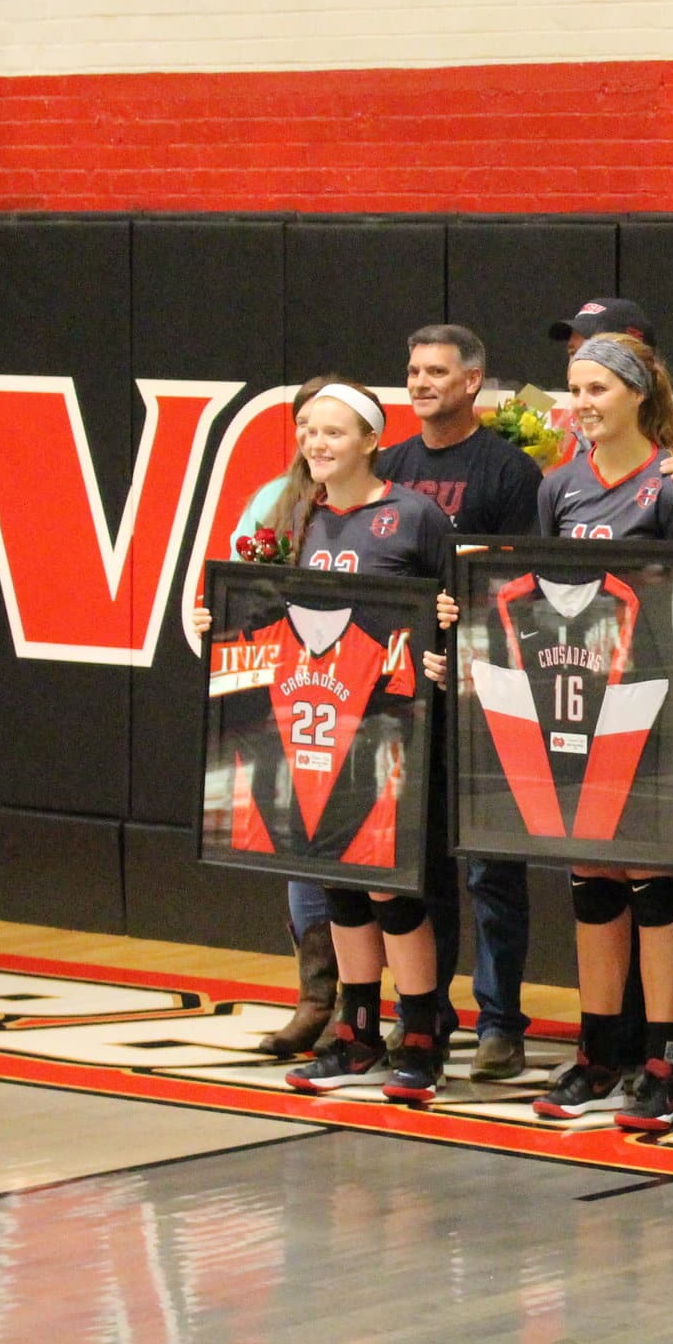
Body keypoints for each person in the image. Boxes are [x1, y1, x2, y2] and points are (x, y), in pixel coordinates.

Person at [196, 377, 459, 1106]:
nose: (316, 442)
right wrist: (215, 625)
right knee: (340, 883)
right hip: (313, 728)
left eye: (333, 430)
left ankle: (421, 1037)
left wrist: (447, 649)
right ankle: (359, 1032)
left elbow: (457, 611)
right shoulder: (292, 517)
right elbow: (262, 606)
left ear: (372, 439)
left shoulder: (413, 516)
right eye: (308, 428)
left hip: (392, 731)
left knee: (392, 888)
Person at [519, 333, 673, 1131]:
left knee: (653, 878)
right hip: (578, 710)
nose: (582, 403)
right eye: (574, 388)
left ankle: (664, 1061)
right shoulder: (559, 487)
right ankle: (597, 1051)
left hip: (653, 712)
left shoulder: (672, 489)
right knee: (591, 874)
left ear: (640, 393)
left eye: (598, 387)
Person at [374, 324, 544, 1082]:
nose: (420, 382)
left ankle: (501, 1020)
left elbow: (524, 582)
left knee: (492, 868)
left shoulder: (509, 471)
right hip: (414, 692)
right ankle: (426, 1015)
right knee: (422, 865)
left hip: (487, 690)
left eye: (436, 370)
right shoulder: (392, 467)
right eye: (413, 370)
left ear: (473, 381)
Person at [549, 298, 673, 464]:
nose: (580, 362)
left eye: (594, 352)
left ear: (634, 362)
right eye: (573, 353)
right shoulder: (580, 439)